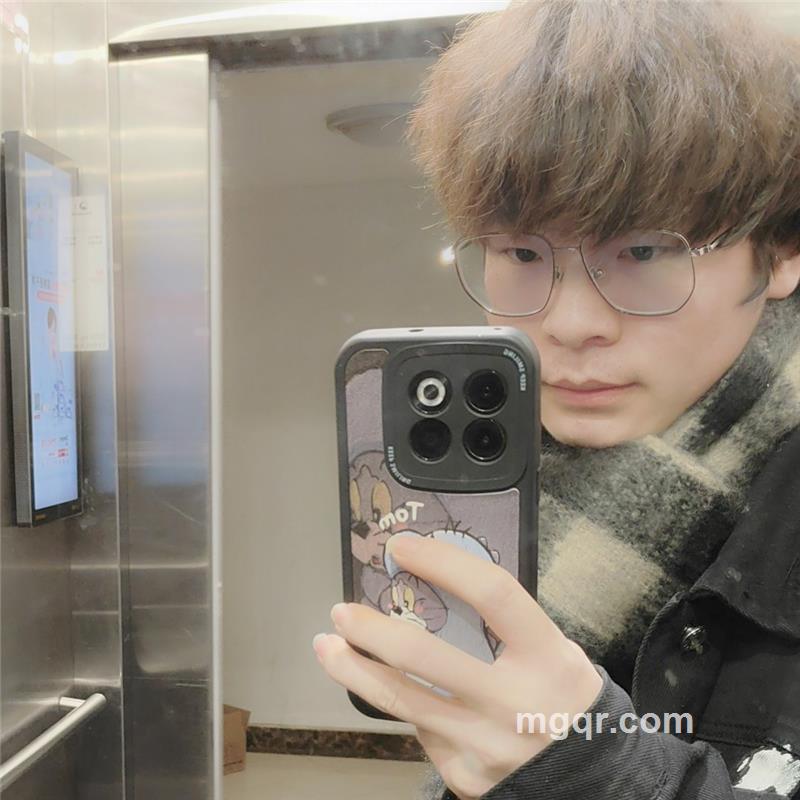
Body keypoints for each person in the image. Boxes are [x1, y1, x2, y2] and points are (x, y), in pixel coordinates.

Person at [312, 1, 800, 798]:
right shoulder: (516, 491)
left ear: (779, 254)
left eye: (643, 250)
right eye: (521, 252)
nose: (569, 324)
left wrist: (589, 768)